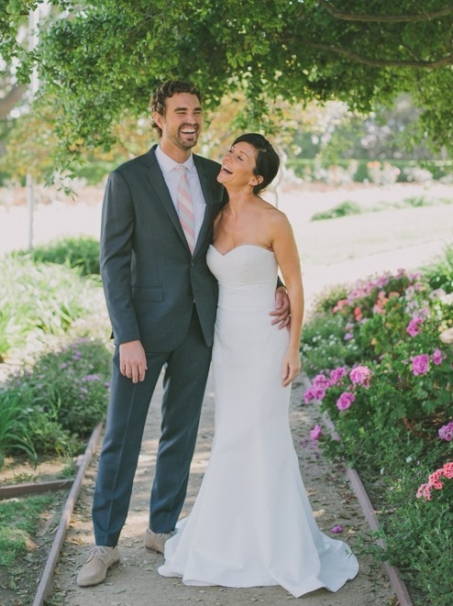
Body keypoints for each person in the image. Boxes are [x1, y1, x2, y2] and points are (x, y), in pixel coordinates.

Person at [77, 82, 290, 587]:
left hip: (199, 326)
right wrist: (126, 334)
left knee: (181, 432)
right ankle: (104, 544)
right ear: (158, 116)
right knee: (122, 436)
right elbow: (111, 263)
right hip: (143, 332)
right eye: (180, 111)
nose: (191, 119)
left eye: (196, 110)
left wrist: (276, 284)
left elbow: (240, 233)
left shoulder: (213, 177)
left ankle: (162, 527)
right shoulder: (127, 179)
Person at [158, 133, 360, 597]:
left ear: (258, 177)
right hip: (226, 341)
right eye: (230, 151)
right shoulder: (212, 212)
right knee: (231, 435)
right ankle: (226, 538)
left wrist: (294, 347)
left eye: (240, 157)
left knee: (264, 434)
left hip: (267, 340)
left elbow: (297, 284)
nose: (227, 158)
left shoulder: (275, 220)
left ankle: (277, 545)